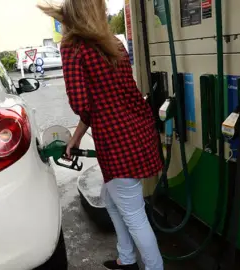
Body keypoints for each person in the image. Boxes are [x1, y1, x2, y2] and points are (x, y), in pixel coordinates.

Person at [38, 1, 164, 270]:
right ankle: (126, 259)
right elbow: (108, 100)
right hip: (139, 132)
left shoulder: (74, 48)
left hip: (117, 143)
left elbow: (82, 104)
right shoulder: (115, 44)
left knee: (134, 215)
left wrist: (80, 127)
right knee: (110, 199)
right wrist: (76, 137)